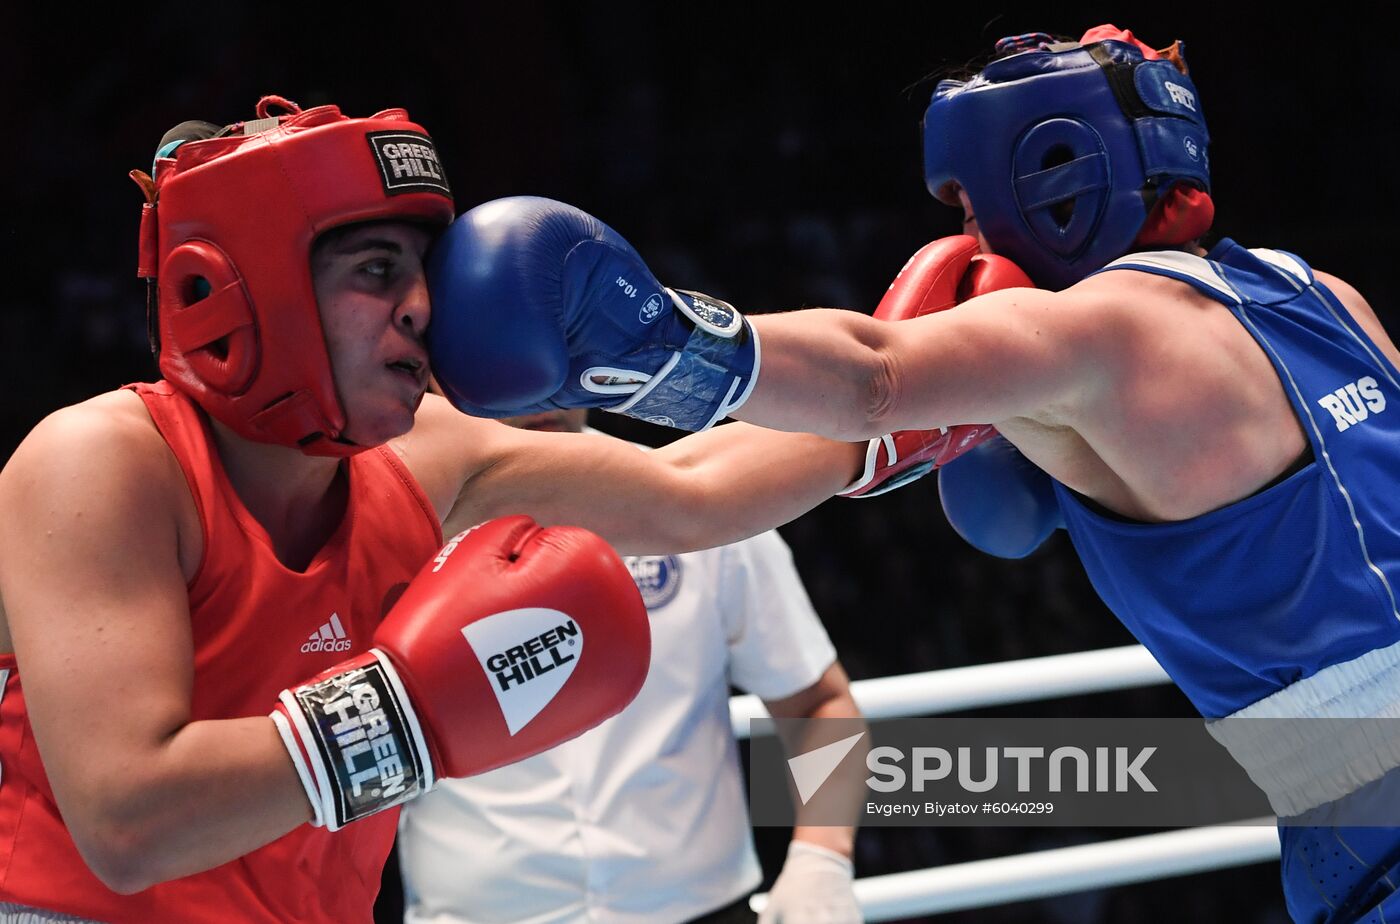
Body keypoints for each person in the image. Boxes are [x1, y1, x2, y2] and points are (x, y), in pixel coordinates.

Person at [424, 26, 1400, 922]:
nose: (970, 240)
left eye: (971, 207)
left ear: (1046, 176)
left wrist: (646, 341)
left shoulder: (1083, 332)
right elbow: (708, 488)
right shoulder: (1316, 292)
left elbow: (870, 381)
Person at [0, 96, 866, 923]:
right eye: (376, 271)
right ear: (245, 285)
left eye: (420, 275)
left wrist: (930, 407)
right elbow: (128, 822)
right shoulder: (103, 461)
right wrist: (413, 709)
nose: (420, 307)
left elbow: (697, 490)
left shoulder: (427, 459)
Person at [396, 407, 864, 924]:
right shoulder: (391, 521)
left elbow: (820, 704)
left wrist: (822, 858)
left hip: (705, 909)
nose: (538, 384)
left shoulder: (702, 495)